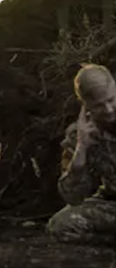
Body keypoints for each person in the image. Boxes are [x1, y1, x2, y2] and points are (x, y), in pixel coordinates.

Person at [46, 63, 116, 244]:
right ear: (86, 105)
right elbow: (73, 197)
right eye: (99, 105)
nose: (109, 109)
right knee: (60, 225)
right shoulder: (79, 134)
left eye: (111, 100)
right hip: (112, 204)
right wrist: (81, 148)